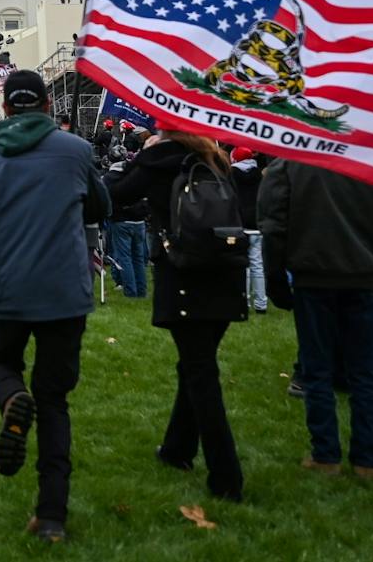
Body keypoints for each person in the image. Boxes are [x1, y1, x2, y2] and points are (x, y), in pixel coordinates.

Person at [0, 69, 108, 544]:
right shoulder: (76, 152)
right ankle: (52, 515)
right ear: (45, 104)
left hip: (8, 288)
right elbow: (101, 208)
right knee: (55, 401)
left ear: (5, 105)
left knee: (1, 365)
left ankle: (12, 403)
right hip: (64, 291)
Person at [112, 130, 250, 502]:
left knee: (201, 373)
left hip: (186, 276)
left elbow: (112, 194)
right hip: (224, 273)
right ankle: (177, 448)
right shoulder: (217, 159)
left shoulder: (159, 160)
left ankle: (226, 476)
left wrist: (140, 156)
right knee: (194, 366)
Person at [260, 158, 373, 477]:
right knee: (363, 372)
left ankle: (327, 455)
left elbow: (273, 228)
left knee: (318, 369)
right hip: (361, 279)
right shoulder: (370, 164)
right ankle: (366, 459)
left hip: (316, 279)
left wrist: (276, 279)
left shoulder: (291, 164)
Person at [106, 154, 149, 299]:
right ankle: (141, 291)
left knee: (124, 257)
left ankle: (130, 291)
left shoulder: (111, 179)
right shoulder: (137, 176)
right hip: (139, 221)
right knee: (138, 257)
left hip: (121, 221)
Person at [229, 147, 263, 311]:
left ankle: (245, 301)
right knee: (257, 265)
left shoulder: (231, 175)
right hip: (257, 223)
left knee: (244, 265)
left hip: (240, 223)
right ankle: (261, 303)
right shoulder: (259, 175)